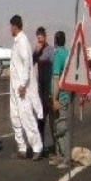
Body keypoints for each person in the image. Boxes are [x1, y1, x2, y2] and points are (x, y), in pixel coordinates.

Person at [9, 15, 44, 160]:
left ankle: (37, 147)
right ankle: (22, 148)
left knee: (26, 117)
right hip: (14, 87)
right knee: (15, 117)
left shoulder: (22, 41)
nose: (9, 29)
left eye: (11, 26)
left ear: (15, 26)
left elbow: (27, 64)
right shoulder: (16, 42)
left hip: (22, 88)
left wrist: (23, 85)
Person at [50, 31, 71, 170]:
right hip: (66, 94)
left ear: (55, 41)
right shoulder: (67, 53)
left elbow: (56, 78)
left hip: (60, 96)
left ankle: (65, 158)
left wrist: (54, 98)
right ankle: (59, 155)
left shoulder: (58, 55)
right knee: (58, 126)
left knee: (61, 128)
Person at [33, 26, 55, 154]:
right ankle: (41, 145)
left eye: (41, 36)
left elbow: (46, 62)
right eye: (38, 36)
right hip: (40, 88)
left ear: (45, 37)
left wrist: (39, 53)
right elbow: (32, 61)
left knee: (52, 120)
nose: (39, 38)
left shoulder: (50, 50)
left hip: (49, 88)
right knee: (40, 118)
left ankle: (56, 147)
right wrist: (36, 51)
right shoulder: (37, 50)